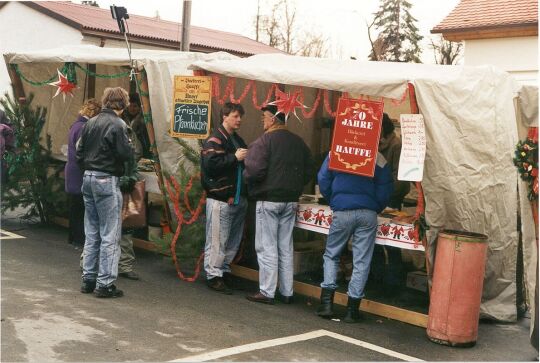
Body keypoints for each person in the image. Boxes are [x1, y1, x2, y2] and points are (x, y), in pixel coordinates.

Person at [244, 104, 314, 305]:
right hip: (290, 201)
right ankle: (287, 291)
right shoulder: (299, 142)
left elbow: (254, 170)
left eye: (264, 118)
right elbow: (309, 168)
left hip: (269, 200)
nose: (262, 122)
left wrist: (249, 179)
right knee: (285, 246)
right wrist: (295, 185)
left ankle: (267, 291)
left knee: (267, 247)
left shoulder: (264, 141)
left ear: (272, 119)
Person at [316, 151, 393, 322]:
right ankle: (352, 311)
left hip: (342, 211)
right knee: (362, 261)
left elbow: (323, 179)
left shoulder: (334, 152)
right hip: (368, 213)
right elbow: (385, 187)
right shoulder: (378, 157)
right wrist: (375, 207)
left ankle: (326, 304)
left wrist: (335, 200)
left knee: (332, 255)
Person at [76, 87, 133, 298]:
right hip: (106, 179)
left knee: (91, 231)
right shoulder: (119, 125)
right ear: (123, 103)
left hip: (88, 177)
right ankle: (105, 283)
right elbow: (126, 154)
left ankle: (88, 279)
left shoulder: (91, 121)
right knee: (110, 233)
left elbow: (79, 151)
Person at [201, 102, 248, 294]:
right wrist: (234, 158)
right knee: (217, 239)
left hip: (236, 198)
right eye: (235, 116)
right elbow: (211, 166)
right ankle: (213, 275)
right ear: (225, 116)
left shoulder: (236, 139)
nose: (239, 120)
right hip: (221, 198)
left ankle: (224, 271)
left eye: (240, 116)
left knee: (231, 240)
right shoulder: (214, 140)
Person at [65, 99, 101, 248]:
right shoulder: (84, 127)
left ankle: (73, 236)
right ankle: (79, 239)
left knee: (75, 205)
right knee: (80, 206)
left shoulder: (76, 125)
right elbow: (82, 150)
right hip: (79, 171)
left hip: (72, 169)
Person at [124, 93, 151, 159]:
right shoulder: (124, 118)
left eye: (135, 106)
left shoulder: (144, 121)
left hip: (143, 154)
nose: (132, 109)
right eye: (130, 106)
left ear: (140, 107)